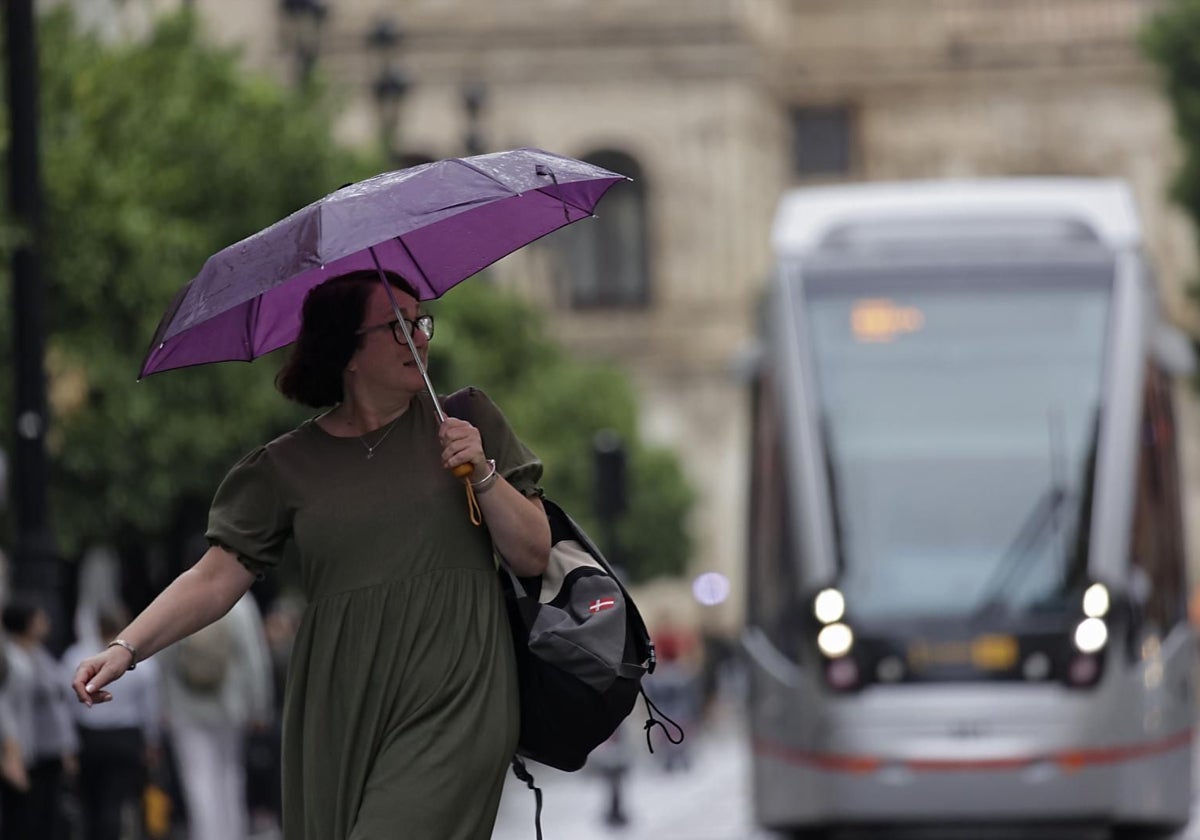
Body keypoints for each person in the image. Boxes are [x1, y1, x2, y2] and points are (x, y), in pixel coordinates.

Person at [72, 269, 551, 840]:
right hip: (338, 704)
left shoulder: (468, 421)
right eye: (398, 326)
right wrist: (128, 647)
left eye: (421, 321)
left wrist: (485, 474)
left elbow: (532, 553)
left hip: (456, 691)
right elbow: (215, 577)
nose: (420, 337)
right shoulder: (285, 466)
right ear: (347, 349)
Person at [160, 590, 272, 840]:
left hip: (184, 706)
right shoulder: (241, 602)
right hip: (230, 705)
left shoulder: (180, 595)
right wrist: (260, 706)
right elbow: (254, 656)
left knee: (197, 778)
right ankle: (233, 833)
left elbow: (163, 657)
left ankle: (206, 834)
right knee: (231, 775)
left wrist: (163, 704)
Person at [62, 606, 163, 840]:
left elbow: (67, 703)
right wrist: (152, 741)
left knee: (90, 799)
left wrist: (68, 743)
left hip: (90, 736)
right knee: (115, 800)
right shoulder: (143, 664)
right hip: (124, 737)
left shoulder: (76, 656)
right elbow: (150, 707)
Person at [3, 596, 79, 839]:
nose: (46, 622)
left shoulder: (40, 655)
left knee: (43, 817)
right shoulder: (13, 661)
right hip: (21, 747)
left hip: (41, 748)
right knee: (23, 819)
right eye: (39, 617)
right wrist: (11, 750)